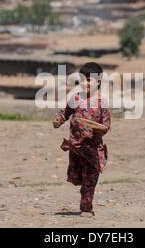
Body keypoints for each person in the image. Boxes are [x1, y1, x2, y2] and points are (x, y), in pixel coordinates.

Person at [53, 62, 111, 217]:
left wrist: (99, 128)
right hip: (76, 148)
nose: (85, 83)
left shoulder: (102, 103)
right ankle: (84, 191)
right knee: (78, 176)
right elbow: (64, 113)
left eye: (89, 80)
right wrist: (58, 120)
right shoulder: (75, 99)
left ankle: (86, 208)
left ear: (98, 81)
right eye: (82, 80)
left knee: (90, 178)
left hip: (93, 149)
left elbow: (106, 125)